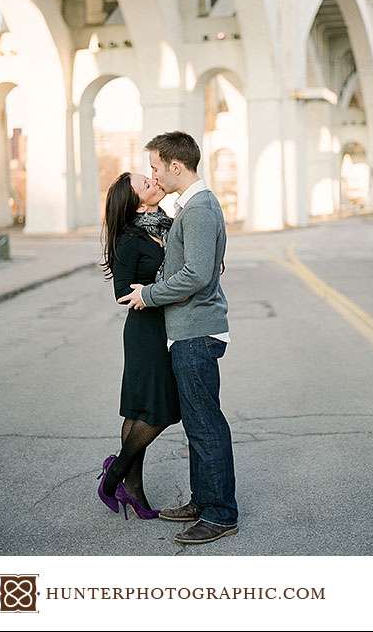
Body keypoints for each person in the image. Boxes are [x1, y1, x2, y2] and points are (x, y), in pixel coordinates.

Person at [118, 131, 238, 545]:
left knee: (206, 427)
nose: (153, 174)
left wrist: (147, 294)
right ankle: (203, 501)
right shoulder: (190, 207)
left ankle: (221, 513)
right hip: (186, 331)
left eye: (154, 167)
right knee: (196, 426)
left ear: (175, 165)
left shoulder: (200, 208)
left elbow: (197, 274)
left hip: (196, 333)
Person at [97, 173, 181, 520]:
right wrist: (156, 288)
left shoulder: (169, 225)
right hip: (145, 332)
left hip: (169, 325)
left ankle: (133, 491)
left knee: (138, 411)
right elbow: (121, 292)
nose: (154, 182)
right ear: (136, 203)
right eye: (146, 184)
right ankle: (115, 475)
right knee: (161, 411)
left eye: (150, 178)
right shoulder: (130, 238)